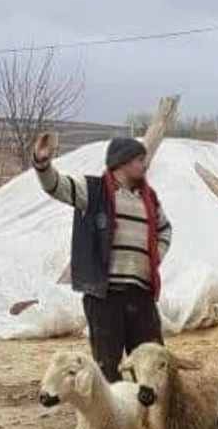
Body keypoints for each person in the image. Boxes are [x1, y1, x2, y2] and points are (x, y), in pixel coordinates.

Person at [33, 130, 172, 383]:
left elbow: (165, 230)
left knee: (154, 365)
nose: (145, 164)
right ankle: (113, 419)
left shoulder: (149, 198)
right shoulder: (94, 191)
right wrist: (43, 163)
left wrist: (154, 257)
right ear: (122, 162)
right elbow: (56, 186)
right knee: (108, 366)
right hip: (105, 296)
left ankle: (151, 421)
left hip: (141, 294)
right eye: (139, 160)